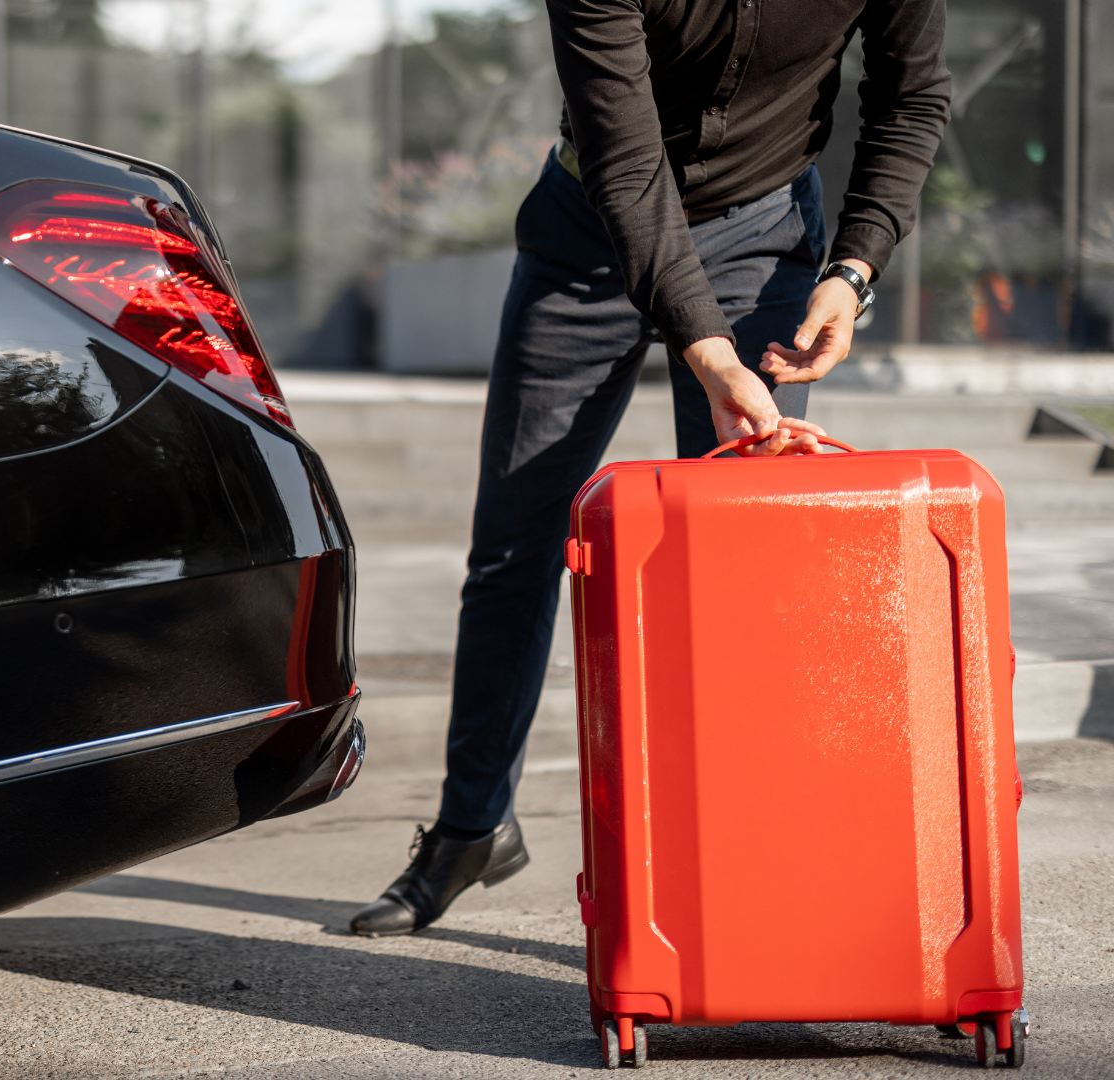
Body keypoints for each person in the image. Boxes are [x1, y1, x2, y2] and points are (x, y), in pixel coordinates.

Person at [349, 0, 950, 936]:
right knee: (515, 544)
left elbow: (912, 97)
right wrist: (708, 352)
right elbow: (629, 162)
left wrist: (855, 268)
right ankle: (471, 828)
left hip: (764, 235)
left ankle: (735, 866)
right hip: (589, 227)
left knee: (740, 566)